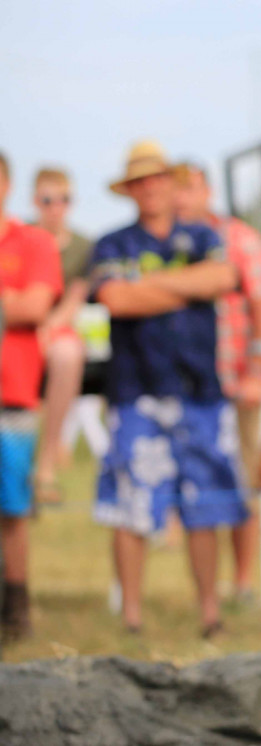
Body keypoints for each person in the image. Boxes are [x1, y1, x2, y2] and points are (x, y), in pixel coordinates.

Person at [88, 141, 246, 636]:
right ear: (130, 189)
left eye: (158, 178)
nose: (151, 187)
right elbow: (114, 299)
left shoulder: (202, 236)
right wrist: (186, 285)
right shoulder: (112, 243)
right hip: (136, 389)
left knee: (205, 504)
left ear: (171, 183)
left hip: (199, 387)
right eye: (141, 180)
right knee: (131, 504)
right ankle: (132, 615)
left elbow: (223, 277)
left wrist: (148, 291)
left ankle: (210, 613)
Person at [173, 162, 261, 606]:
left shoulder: (240, 240)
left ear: (207, 190)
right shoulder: (164, 243)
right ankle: (204, 591)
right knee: (193, 487)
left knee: (242, 484)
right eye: (176, 190)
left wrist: (256, 374)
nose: (183, 199)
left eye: (190, 188)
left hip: (235, 384)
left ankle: (242, 582)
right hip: (181, 385)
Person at [0, 151, 64, 641]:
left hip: (13, 394)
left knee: (12, 510)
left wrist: (21, 306)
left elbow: (36, 306)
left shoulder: (34, 242)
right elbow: (17, 305)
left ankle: (17, 608)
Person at [29, 167, 93, 505]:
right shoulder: (20, 236)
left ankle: (47, 461)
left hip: (56, 328)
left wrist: (47, 327)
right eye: (48, 200)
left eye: (63, 200)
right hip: (17, 326)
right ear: (35, 201)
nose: (56, 207)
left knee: (67, 353)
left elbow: (75, 298)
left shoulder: (83, 246)